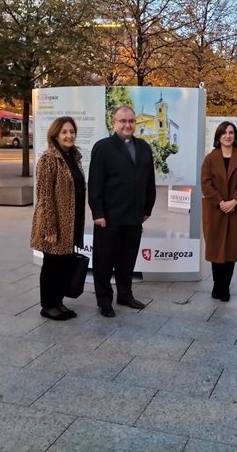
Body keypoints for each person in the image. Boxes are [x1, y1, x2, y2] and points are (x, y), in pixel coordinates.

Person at [88, 105, 156, 317]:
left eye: (131, 121)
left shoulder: (144, 147)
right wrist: (98, 213)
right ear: (113, 123)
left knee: (128, 259)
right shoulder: (103, 147)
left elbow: (149, 181)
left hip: (134, 216)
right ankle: (104, 300)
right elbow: (95, 183)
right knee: (104, 261)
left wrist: (147, 209)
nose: (127, 125)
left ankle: (125, 294)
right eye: (123, 121)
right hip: (109, 217)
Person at [30, 116, 85, 321]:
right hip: (55, 224)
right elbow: (44, 197)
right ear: (55, 135)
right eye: (64, 132)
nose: (69, 135)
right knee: (52, 265)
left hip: (71, 223)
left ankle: (58, 302)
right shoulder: (48, 161)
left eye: (71, 132)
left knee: (64, 264)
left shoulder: (73, 158)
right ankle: (48, 305)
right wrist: (49, 228)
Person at [201, 121, 237, 302]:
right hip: (215, 210)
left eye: (231, 132)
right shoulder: (210, 158)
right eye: (224, 133)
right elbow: (205, 183)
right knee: (216, 249)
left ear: (235, 136)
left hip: (236, 210)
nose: (228, 136)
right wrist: (220, 202)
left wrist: (234, 201)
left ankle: (224, 287)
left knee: (231, 249)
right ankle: (217, 284)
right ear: (218, 136)